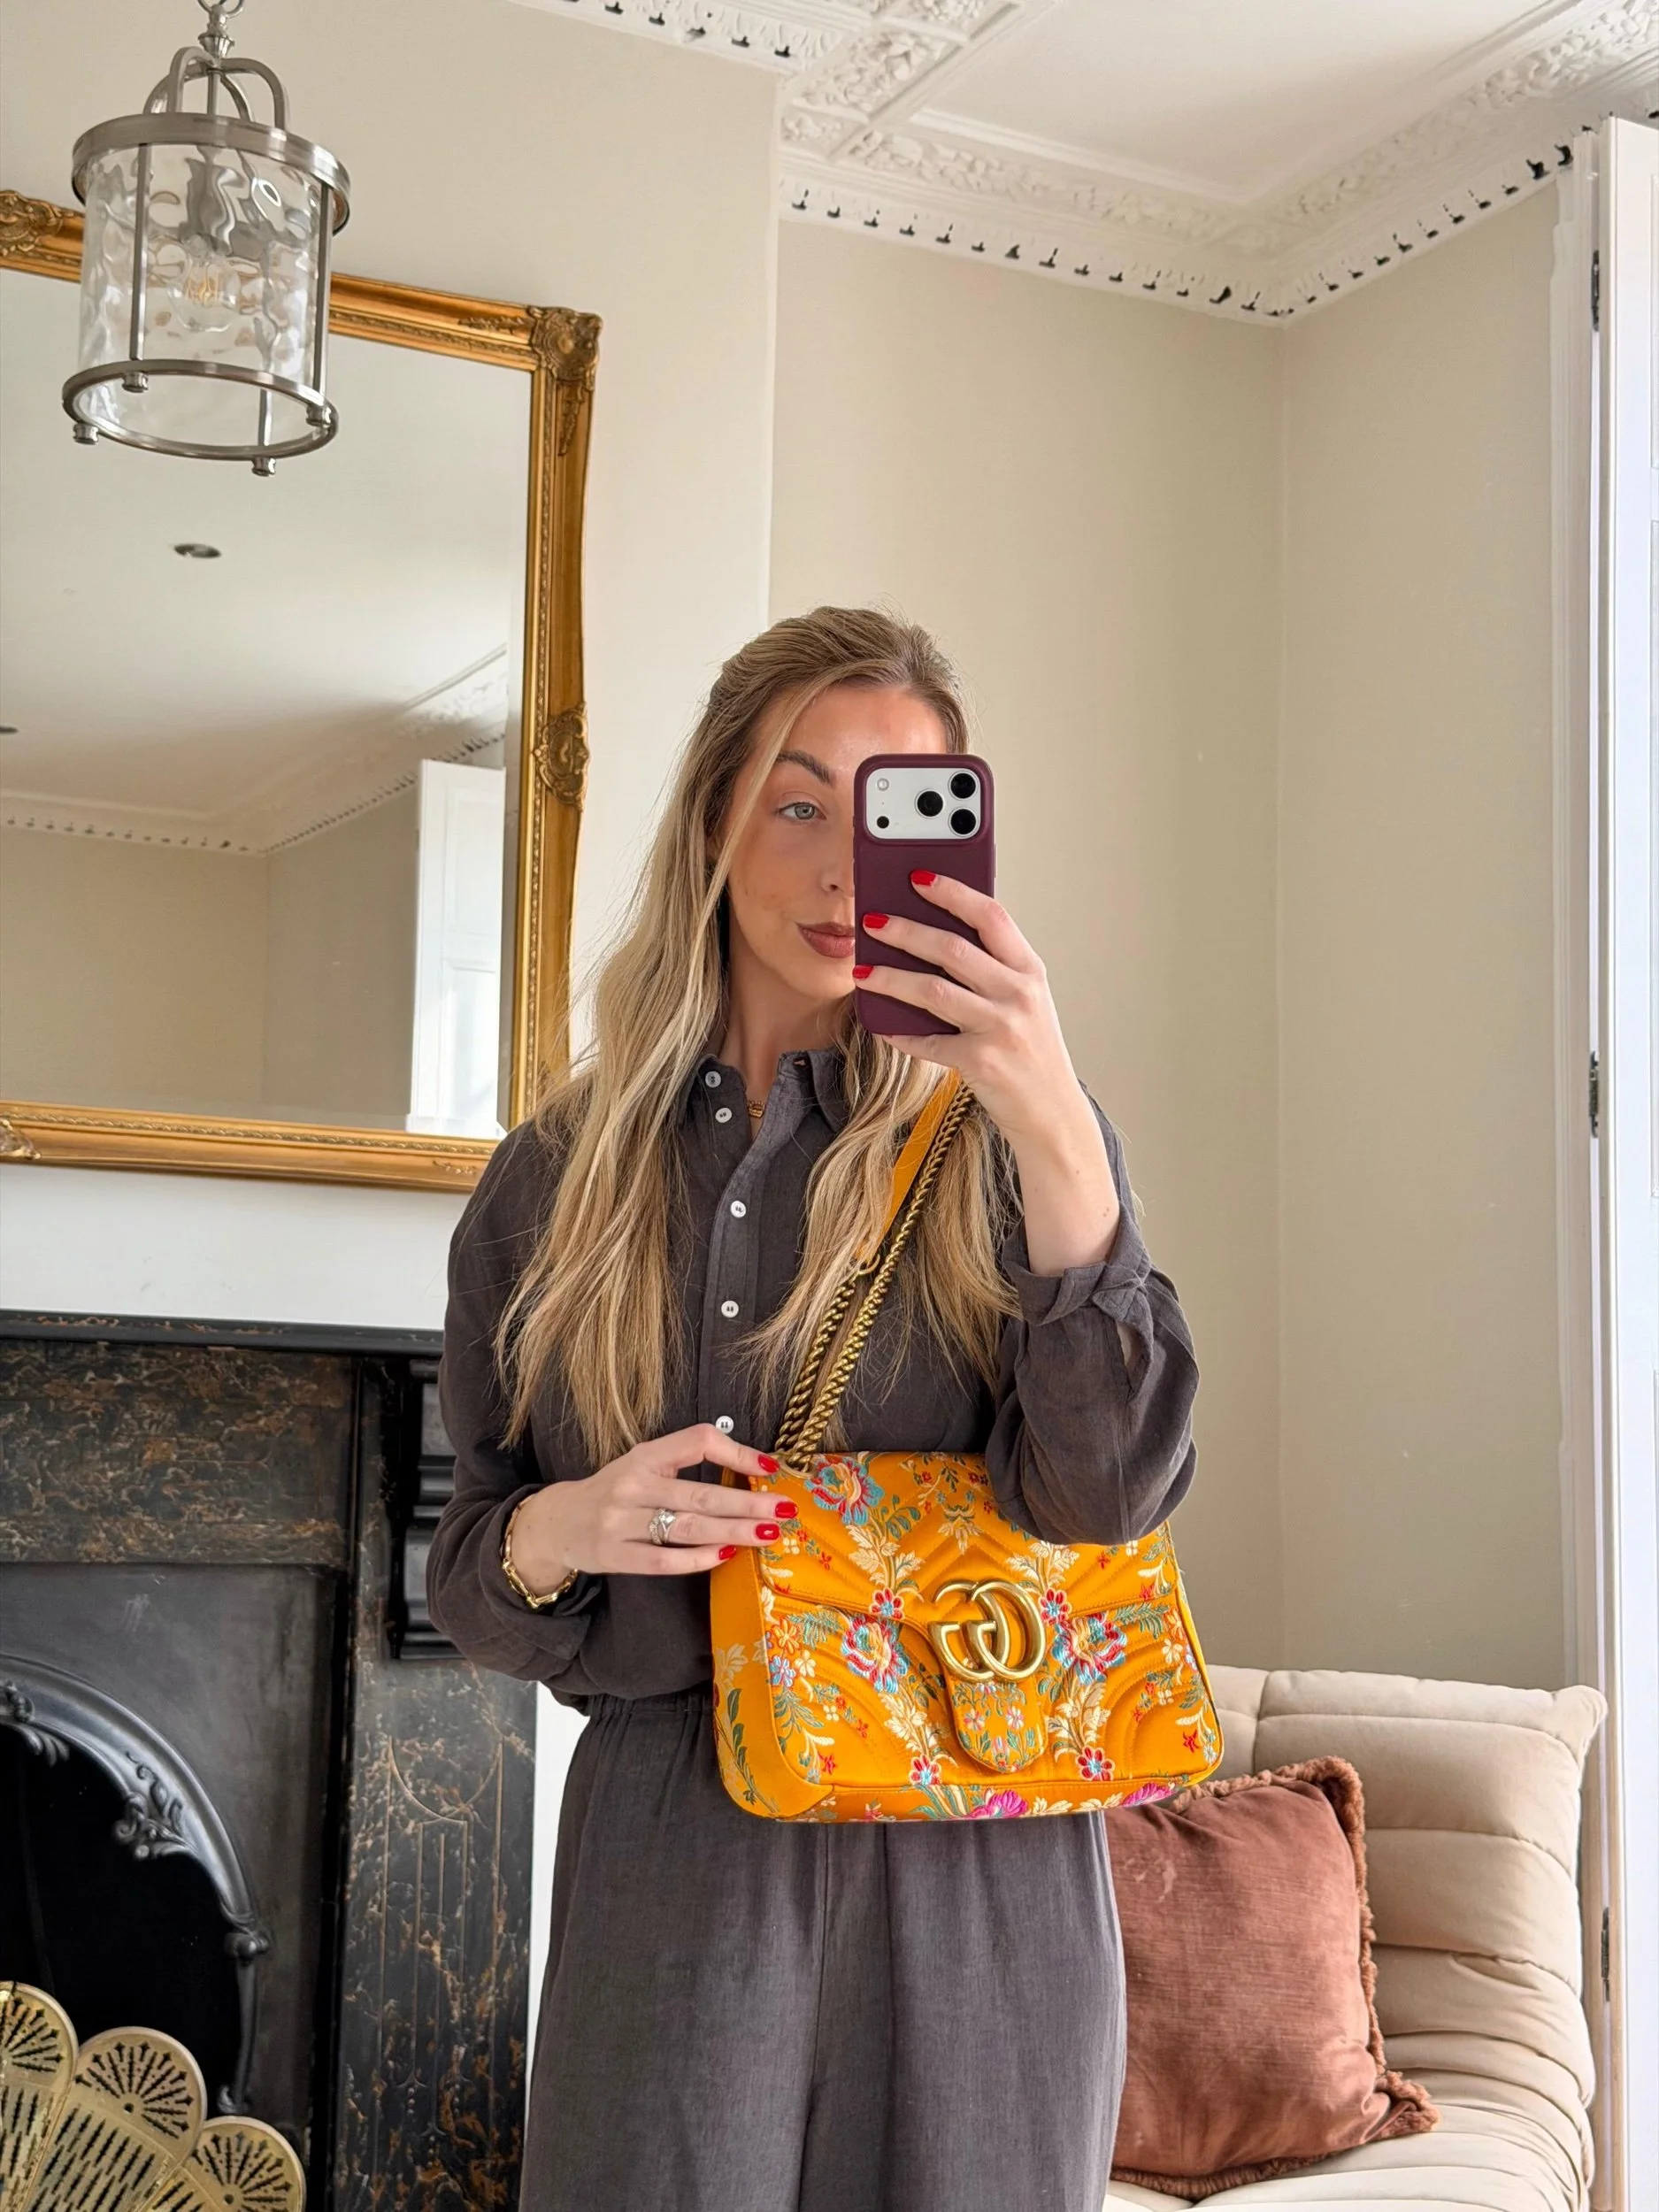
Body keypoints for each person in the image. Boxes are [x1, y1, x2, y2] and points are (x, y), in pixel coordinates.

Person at [426, 605, 1201, 2212]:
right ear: (711, 821)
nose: (850, 867)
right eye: (798, 804)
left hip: (983, 1863)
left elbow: (1112, 1496)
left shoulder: (1017, 1144)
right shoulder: (552, 1181)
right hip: (675, 1856)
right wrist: (565, 1527)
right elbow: (471, 1573)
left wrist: (1053, 1121)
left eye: (898, 815)